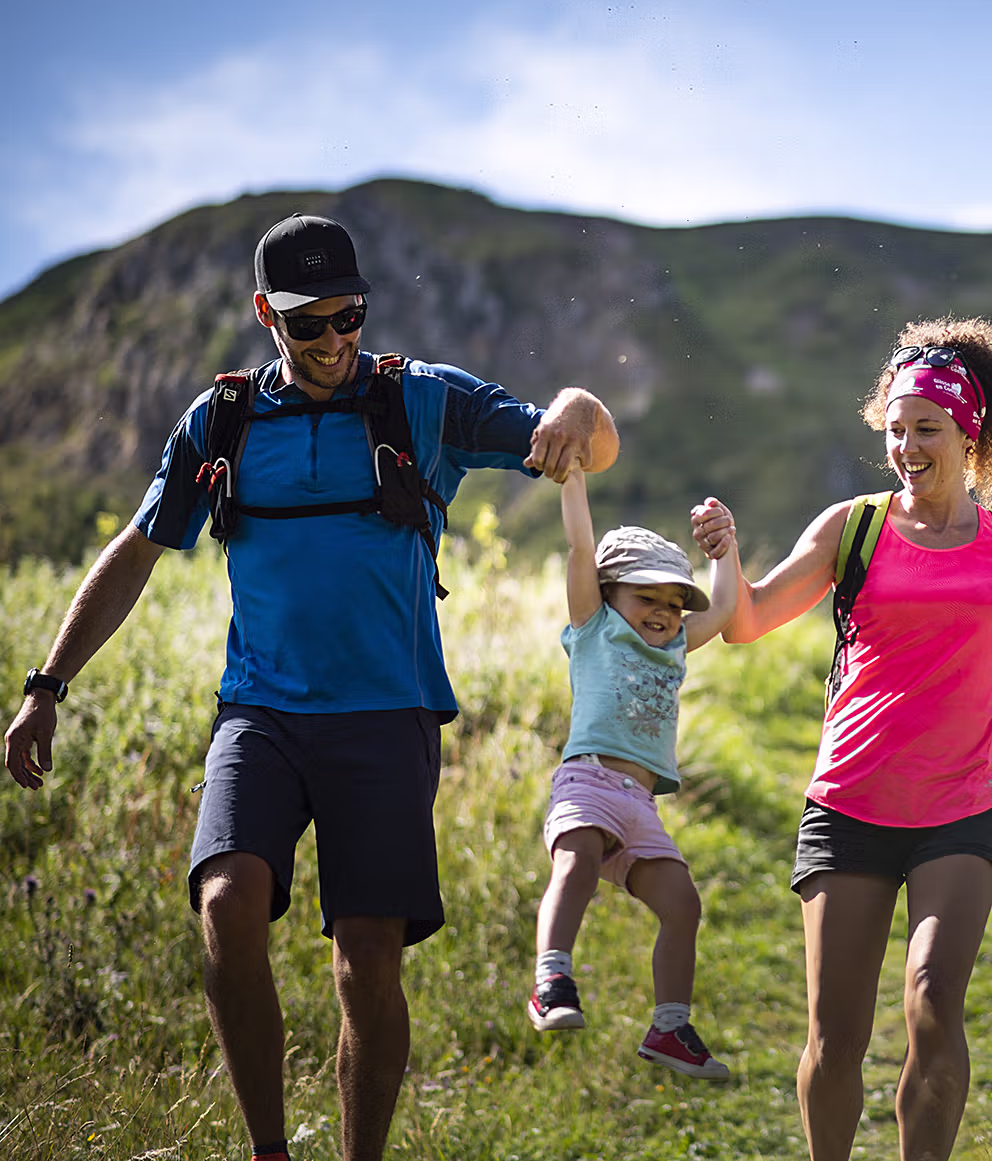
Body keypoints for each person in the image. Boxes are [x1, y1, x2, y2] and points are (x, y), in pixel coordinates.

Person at [3, 213, 616, 1161]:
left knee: (368, 960)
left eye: (350, 315)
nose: (335, 339)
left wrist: (579, 403)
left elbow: (577, 442)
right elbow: (137, 551)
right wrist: (47, 685)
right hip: (262, 715)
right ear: (265, 315)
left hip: (387, 715)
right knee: (226, 904)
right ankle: (270, 1152)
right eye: (309, 322)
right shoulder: (223, 420)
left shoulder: (421, 402)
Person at [720, 317, 992, 1161]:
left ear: (966, 432)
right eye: (895, 429)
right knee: (836, 1037)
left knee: (935, 1000)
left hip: (961, 810)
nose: (906, 445)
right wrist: (722, 558)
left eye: (924, 428)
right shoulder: (851, 528)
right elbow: (748, 619)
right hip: (850, 803)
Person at [525, 457, 738, 1083]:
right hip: (587, 782)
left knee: (682, 904)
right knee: (580, 861)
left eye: (674, 603)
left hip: (641, 806)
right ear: (608, 594)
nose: (663, 613)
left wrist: (726, 546)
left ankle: (670, 1028)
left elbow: (723, 609)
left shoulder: (671, 645)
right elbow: (579, 544)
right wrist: (573, 475)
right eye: (646, 597)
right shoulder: (594, 629)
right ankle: (552, 979)